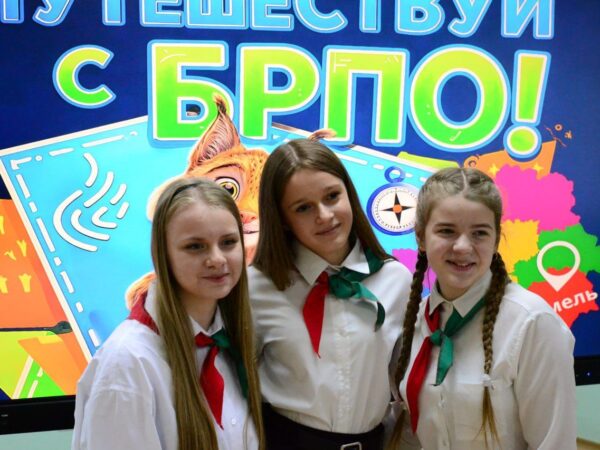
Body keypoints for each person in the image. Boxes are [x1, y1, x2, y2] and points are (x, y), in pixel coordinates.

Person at [387, 167, 576, 450]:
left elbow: (554, 443)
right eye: (447, 231)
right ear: (421, 238)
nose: (463, 247)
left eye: (479, 233)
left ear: (496, 239)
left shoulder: (533, 323)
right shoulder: (413, 323)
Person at [72, 177, 265, 450]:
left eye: (228, 242)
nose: (217, 259)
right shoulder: (127, 365)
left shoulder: (233, 340)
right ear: (163, 254)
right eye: (195, 246)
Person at [248, 136, 412, 450]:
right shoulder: (257, 288)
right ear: (283, 219)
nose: (324, 215)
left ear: (349, 193)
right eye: (303, 208)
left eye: (332, 196)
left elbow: (406, 387)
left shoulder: (396, 281)